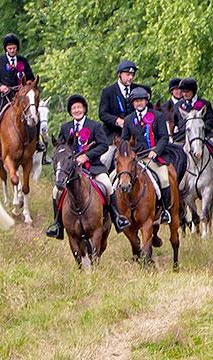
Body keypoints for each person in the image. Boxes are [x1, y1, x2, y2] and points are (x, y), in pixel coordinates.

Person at [45, 95, 129, 239]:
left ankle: (117, 218)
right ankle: (57, 225)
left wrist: (87, 156)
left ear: (84, 109)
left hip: (93, 167)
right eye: (74, 108)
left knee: (108, 185)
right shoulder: (65, 128)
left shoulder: (95, 126)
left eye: (79, 107)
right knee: (55, 192)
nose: (77, 110)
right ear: (70, 111)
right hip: (71, 170)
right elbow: (61, 146)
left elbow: (103, 145)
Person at [121, 87, 173, 224]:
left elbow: (164, 137)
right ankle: (119, 214)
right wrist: (129, 154)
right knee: (115, 179)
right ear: (132, 103)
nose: (139, 103)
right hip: (135, 158)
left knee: (164, 179)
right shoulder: (128, 120)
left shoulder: (158, 116)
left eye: (141, 100)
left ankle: (165, 211)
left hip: (154, 157)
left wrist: (156, 151)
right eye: (136, 101)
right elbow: (124, 142)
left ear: (146, 101)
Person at [175, 77, 213, 181]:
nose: (184, 94)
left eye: (186, 92)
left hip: (202, 134)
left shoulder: (204, 103)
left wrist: (201, 130)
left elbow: (210, 120)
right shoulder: (179, 105)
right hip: (184, 135)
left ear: (193, 91)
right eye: (183, 92)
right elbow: (176, 121)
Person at [0, 33, 36, 132]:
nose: (12, 51)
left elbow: (31, 78)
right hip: (3, 96)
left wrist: (27, 84)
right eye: (10, 48)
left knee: (34, 113)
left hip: (21, 96)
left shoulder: (23, 61)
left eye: (14, 48)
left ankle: (38, 141)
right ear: (6, 49)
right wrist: (0, 87)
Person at [98, 60, 138, 139]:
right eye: (128, 74)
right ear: (119, 74)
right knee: (109, 151)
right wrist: (117, 120)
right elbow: (103, 114)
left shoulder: (138, 89)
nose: (131, 77)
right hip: (114, 135)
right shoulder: (108, 92)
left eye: (132, 75)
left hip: (135, 135)